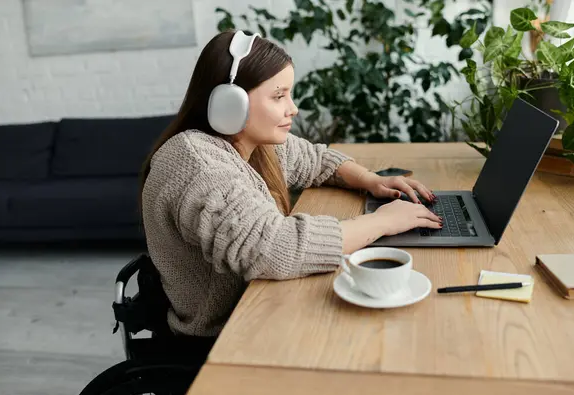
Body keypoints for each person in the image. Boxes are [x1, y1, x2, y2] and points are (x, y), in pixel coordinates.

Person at [139, 30, 442, 343]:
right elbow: (273, 249)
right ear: (231, 104)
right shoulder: (197, 165)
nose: (293, 108)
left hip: (262, 309)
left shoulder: (252, 142)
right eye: (278, 96)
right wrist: (383, 222)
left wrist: (371, 180)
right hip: (223, 339)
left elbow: (314, 159)